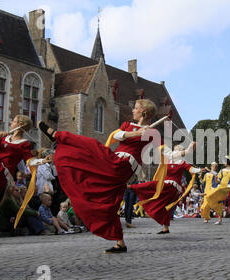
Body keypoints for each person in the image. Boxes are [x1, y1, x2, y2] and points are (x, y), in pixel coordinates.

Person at [38, 99, 182, 253]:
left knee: (92, 145)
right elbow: (117, 136)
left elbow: (168, 153)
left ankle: (57, 135)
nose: (133, 110)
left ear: (144, 112)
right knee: (110, 202)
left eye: (136, 108)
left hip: (123, 165)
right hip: (114, 160)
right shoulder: (128, 125)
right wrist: (137, 133)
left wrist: (186, 151)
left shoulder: (153, 133)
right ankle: (120, 242)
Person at [0, 115, 49, 245]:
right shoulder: (5, 138)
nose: (11, 122)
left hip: (1, 173)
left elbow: (29, 160)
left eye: (13, 121)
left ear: (20, 125)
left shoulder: (24, 144)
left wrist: (42, 160)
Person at [130, 143, 204, 234]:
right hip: (166, 184)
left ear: (181, 152)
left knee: (153, 185)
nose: (174, 151)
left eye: (177, 150)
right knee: (165, 206)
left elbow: (191, 169)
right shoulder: (167, 161)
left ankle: (132, 187)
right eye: (174, 150)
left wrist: (200, 170)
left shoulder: (182, 163)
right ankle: (166, 228)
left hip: (173, 186)